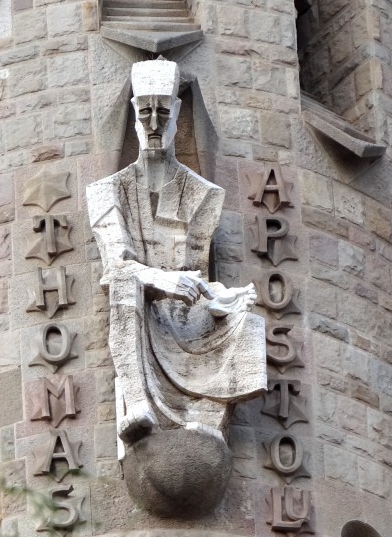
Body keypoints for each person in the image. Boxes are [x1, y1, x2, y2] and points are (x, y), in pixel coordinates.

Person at [86, 59, 266, 455]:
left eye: (162, 112)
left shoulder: (203, 194)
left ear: (176, 119)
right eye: (145, 111)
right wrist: (161, 280)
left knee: (245, 319)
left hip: (186, 313)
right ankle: (136, 404)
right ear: (134, 117)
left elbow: (195, 272)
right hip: (141, 306)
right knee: (122, 286)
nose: (153, 123)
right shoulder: (105, 192)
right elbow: (117, 262)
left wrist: (220, 297)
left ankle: (206, 417)